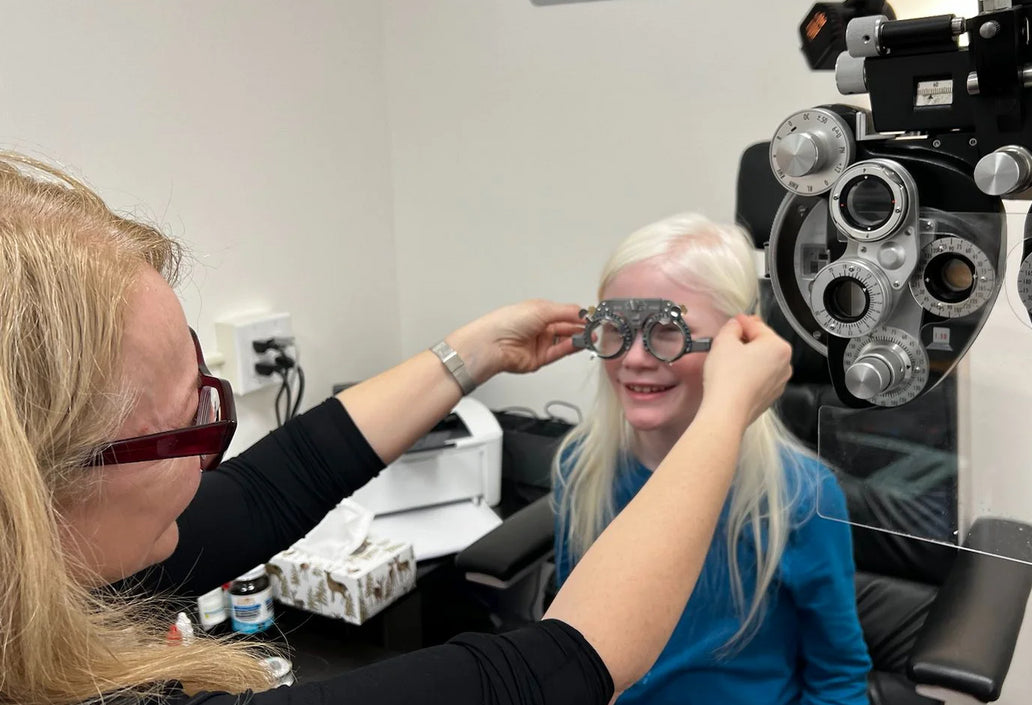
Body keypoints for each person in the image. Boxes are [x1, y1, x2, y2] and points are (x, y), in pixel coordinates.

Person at [0, 152, 794, 705]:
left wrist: (473, 351)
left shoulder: (44, 572)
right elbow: (552, 668)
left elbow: (272, 486)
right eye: (190, 423)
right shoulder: (586, 467)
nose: (217, 449)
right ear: (44, 488)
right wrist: (726, 411)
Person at [554, 213, 872, 705]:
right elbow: (568, 648)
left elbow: (839, 676)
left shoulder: (798, 494)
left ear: (739, 344)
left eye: (666, 330)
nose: (635, 359)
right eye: (616, 327)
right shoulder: (582, 468)